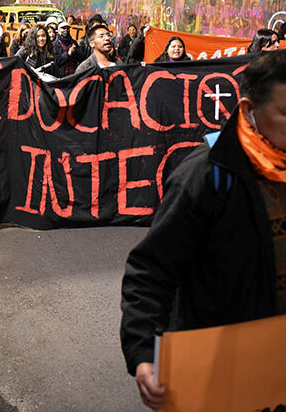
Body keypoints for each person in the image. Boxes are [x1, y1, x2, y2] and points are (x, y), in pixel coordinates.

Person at [120, 50, 286, 410]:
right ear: (248, 111)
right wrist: (143, 351)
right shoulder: (207, 175)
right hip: (225, 368)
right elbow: (151, 271)